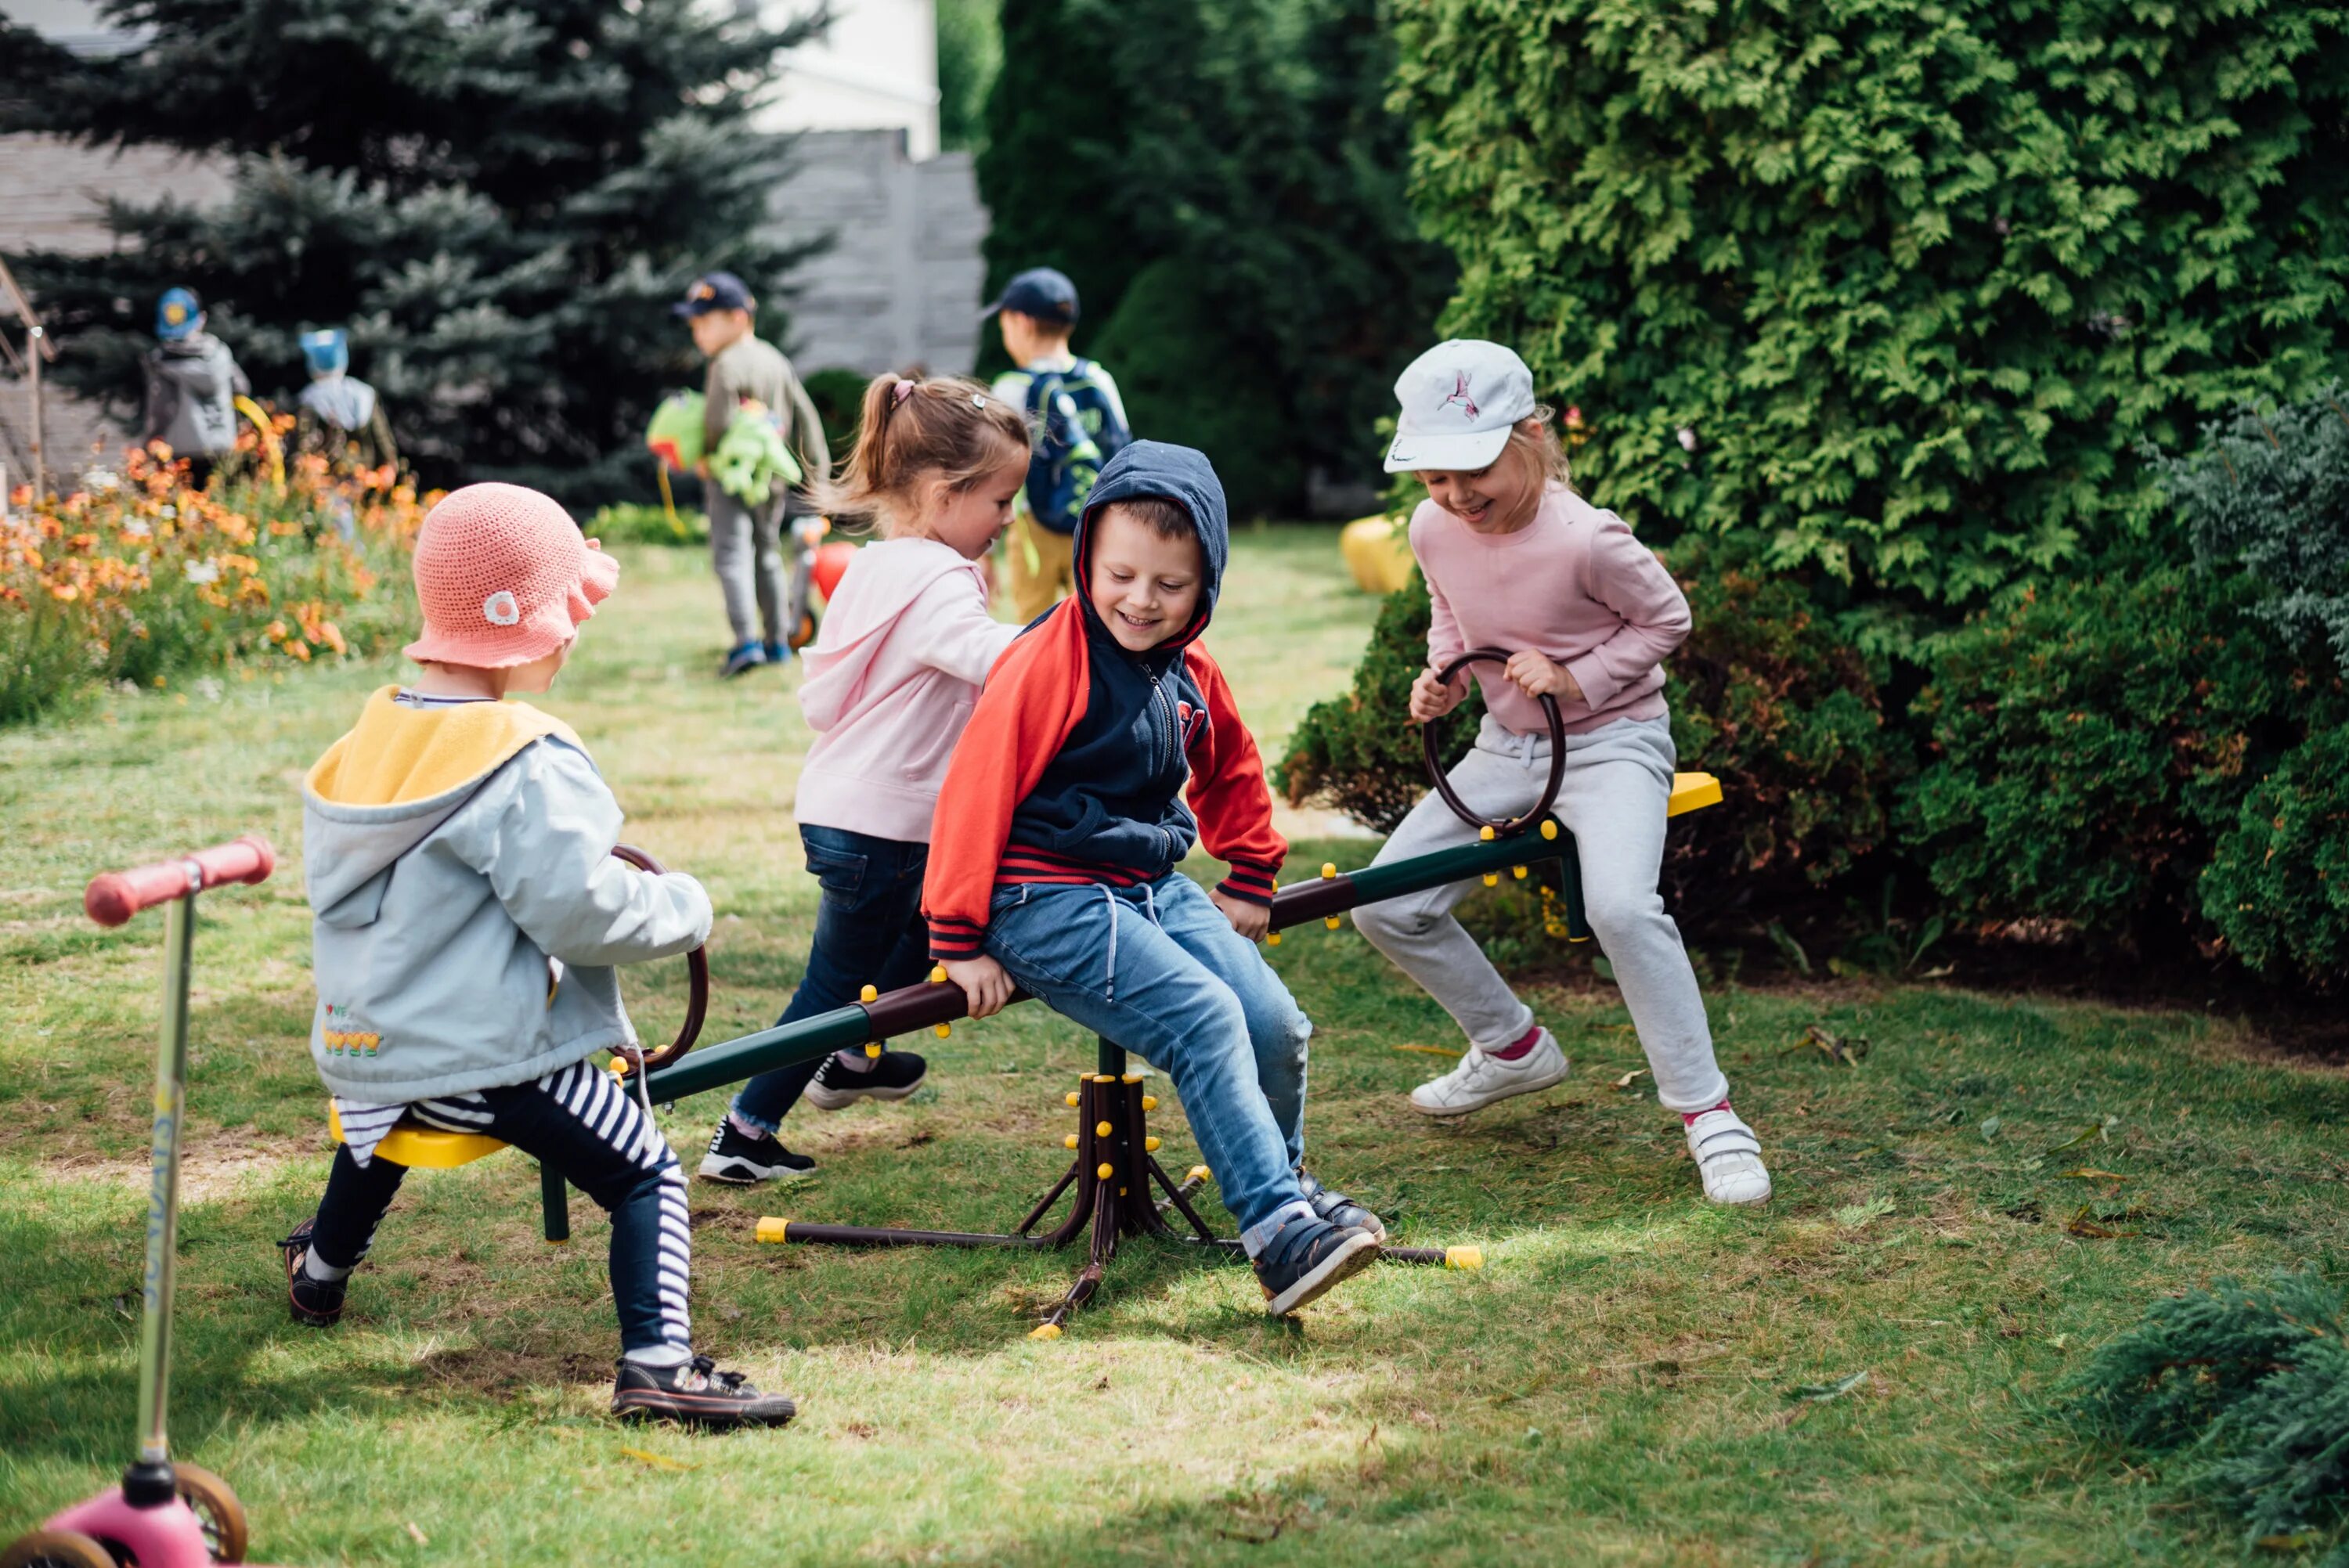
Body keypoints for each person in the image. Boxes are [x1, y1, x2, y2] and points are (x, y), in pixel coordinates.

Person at [280, 483, 796, 1428]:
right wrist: (681, 905)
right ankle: (658, 1361)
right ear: (530, 621)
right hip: (484, 1050)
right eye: (568, 612)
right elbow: (579, 910)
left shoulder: (377, 729)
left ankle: (318, 1273)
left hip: (366, 1046)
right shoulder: (520, 757)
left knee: (381, 1127)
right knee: (645, 1172)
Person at [924, 441, 1384, 1317]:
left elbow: (1231, 767)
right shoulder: (1045, 662)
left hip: (1145, 882)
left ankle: (1283, 1183)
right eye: (1120, 574)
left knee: (1273, 1022)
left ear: (1203, 588)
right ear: (1087, 557)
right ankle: (1278, 1235)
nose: (1140, 600)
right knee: (1201, 1016)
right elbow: (973, 788)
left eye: (1169, 585)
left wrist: (1251, 869)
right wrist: (957, 934)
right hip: (1040, 892)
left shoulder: (1188, 670)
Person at [1353, 340, 1770, 1206]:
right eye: (1434, 478)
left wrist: (1577, 677)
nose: (1457, 497)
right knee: (1385, 899)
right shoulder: (1434, 528)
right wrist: (1443, 679)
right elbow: (1450, 612)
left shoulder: (1590, 537)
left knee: (1622, 905)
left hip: (1616, 741)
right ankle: (1510, 1046)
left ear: (1532, 437)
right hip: (1507, 748)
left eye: (1475, 472)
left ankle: (1710, 1114)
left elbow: (1668, 621)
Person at [699, 374, 1034, 1184]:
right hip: (886, 822)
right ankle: (745, 1132)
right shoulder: (939, 581)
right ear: (938, 493)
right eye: (999, 500)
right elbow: (990, 657)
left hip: (854, 810)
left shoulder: (881, 564)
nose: (1009, 518)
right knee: (838, 980)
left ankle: (852, 1054)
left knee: (920, 936)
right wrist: (1077, 638)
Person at [674, 271, 832, 678]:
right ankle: (777, 641)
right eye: (693, 324)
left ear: (739, 317)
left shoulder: (725, 365)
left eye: (704, 321)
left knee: (731, 556)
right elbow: (806, 419)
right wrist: (820, 477)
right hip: (772, 478)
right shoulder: (776, 360)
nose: (697, 332)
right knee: (767, 554)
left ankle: (745, 642)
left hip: (731, 479)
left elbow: (716, 424)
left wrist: (705, 457)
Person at [983, 267, 1131, 621]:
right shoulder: (1099, 379)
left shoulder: (1010, 389)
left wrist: (985, 553)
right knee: (1103, 624)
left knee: (1036, 628)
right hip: (1098, 529)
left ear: (1021, 322)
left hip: (1035, 529)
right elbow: (1124, 452)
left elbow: (987, 474)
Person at [140, 287, 248, 490]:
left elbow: (161, 409)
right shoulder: (220, 352)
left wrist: (150, 444)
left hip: (181, 452)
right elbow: (242, 388)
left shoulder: (161, 362)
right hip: (223, 446)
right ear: (201, 318)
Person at [292, 327, 399, 470]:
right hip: (364, 475)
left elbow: (302, 443)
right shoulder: (365, 393)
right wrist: (390, 465)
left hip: (324, 478)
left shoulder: (309, 398)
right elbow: (381, 437)